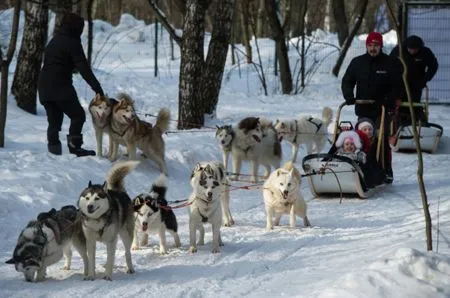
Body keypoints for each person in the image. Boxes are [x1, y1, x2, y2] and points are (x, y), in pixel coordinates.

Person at [38, 12, 104, 156]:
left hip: (43, 87)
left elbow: (57, 61)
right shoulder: (73, 42)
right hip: (60, 87)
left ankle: (54, 153)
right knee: (78, 115)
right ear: (76, 28)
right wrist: (98, 89)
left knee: (54, 121)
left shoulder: (54, 40)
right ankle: (75, 148)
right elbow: (84, 69)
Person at [341, 32, 402, 184]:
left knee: (380, 138)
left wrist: (388, 100)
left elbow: (397, 86)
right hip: (363, 108)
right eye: (370, 45)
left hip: (383, 109)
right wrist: (349, 96)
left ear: (381, 46)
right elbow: (347, 81)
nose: (373, 48)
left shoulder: (390, 63)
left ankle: (386, 169)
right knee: (362, 139)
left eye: (376, 45)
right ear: (366, 46)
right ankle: (362, 167)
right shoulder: (358, 62)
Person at [389, 35, 439, 125]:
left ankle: (414, 122)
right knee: (398, 104)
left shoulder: (425, 52)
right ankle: (397, 122)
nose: (412, 51)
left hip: (417, 84)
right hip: (399, 83)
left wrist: (425, 79)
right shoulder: (398, 50)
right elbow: (389, 65)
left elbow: (433, 66)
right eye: (410, 49)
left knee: (414, 104)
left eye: (415, 49)